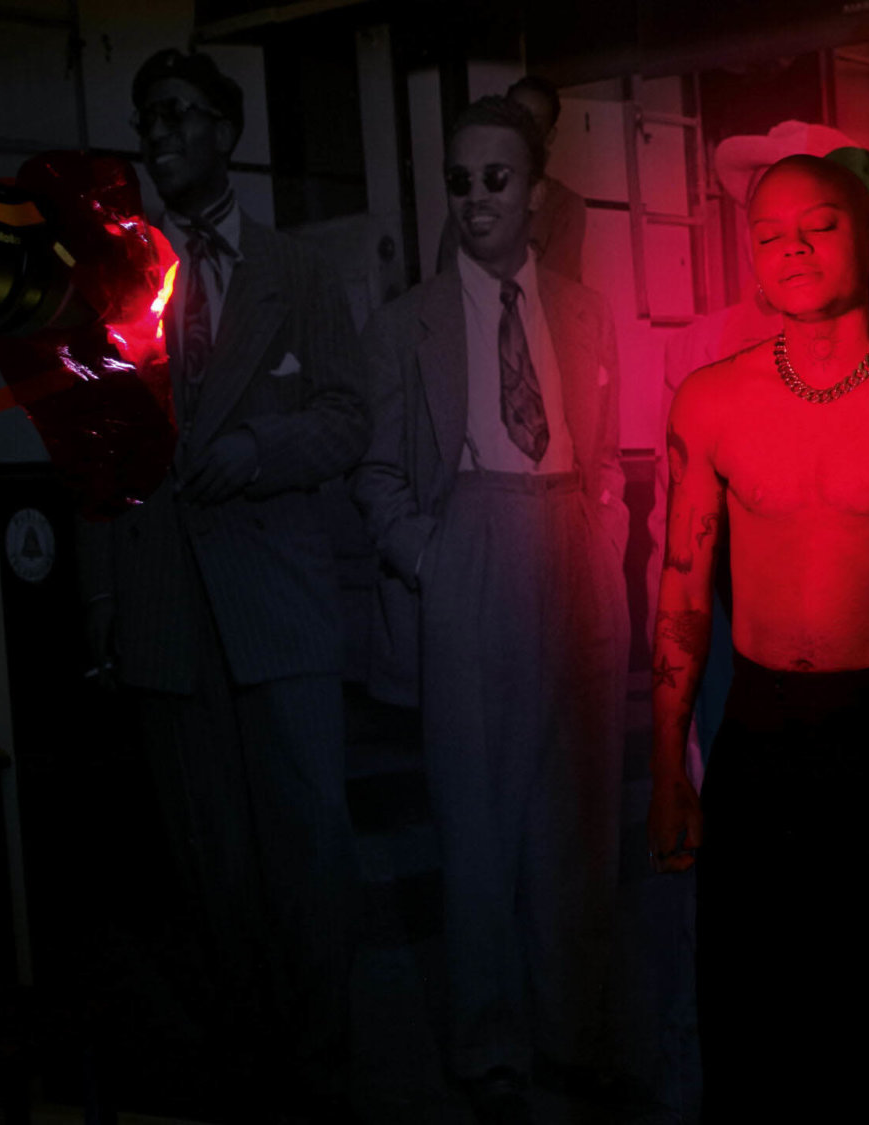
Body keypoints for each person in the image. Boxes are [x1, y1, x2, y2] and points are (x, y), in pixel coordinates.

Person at [646, 154, 869, 1122]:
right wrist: (668, 766)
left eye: (819, 226)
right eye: (769, 235)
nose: (792, 249)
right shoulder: (710, 400)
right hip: (759, 739)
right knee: (757, 1027)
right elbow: (681, 588)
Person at [80, 47, 368, 1119]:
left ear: (227, 131)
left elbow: (347, 417)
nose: (158, 135)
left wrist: (258, 451)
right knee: (211, 874)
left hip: (279, 612)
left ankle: (323, 1076)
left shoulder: (299, 273)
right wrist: (104, 609)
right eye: (147, 118)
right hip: (166, 617)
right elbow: (95, 451)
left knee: (311, 858)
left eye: (179, 115)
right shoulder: (118, 277)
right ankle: (246, 1078)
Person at [352, 95, 629, 1123]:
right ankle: (490, 1048)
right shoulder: (405, 324)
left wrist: (605, 531)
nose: (476, 198)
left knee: (581, 814)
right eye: (459, 181)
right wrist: (431, 557)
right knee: (476, 820)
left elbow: (606, 444)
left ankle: (576, 1034)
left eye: (496, 179)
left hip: (573, 539)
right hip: (469, 542)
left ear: (536, 193)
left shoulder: (585, 310)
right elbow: (376, 471)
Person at [435, 76, 588, 283]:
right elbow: (448, 281)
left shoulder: (564, 206)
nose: (519, 129)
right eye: (511, 117)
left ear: (549, 135)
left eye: (533, 122)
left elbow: (555, 287)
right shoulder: (470, 201)